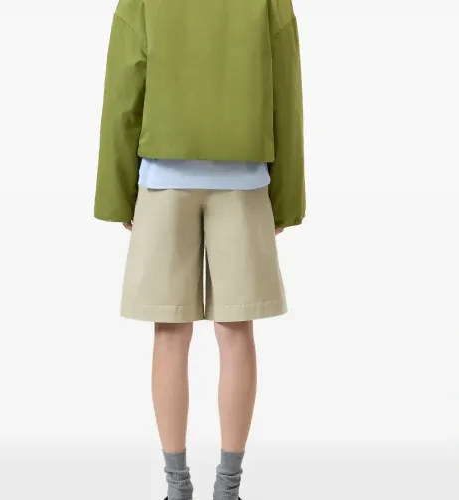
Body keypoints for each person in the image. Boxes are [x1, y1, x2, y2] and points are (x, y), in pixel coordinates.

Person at [93, 0, 305, 498]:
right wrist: (286, 200)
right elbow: (287, 98)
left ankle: (176, 488)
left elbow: (123, 94)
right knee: (236, 331)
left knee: (170, 332)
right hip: (245, 180)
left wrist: (117, 193)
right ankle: (228, 489)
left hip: (164, 178)